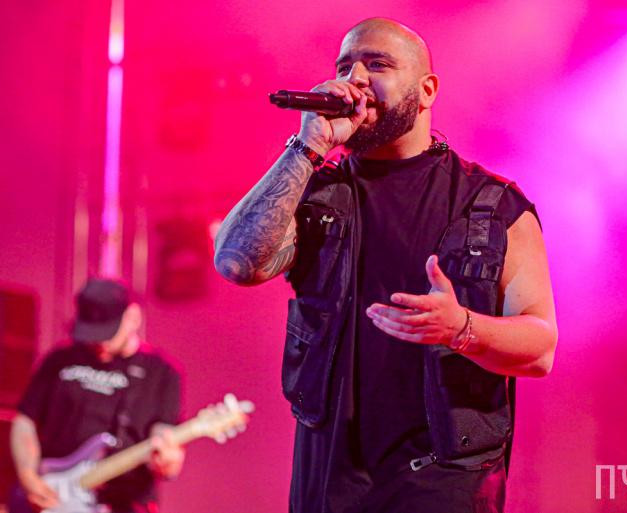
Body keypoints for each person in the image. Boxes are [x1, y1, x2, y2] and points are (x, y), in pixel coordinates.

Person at [214, 17, 558, 513]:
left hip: (444, 484)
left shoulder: (492, 205)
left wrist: (460, 327)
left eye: (377, 64)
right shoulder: (315, 192)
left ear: (427, 90)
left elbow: (540, 348)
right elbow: (237, 263)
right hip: (328, 482)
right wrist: (308, 146)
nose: (354, 78)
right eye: (344, 66)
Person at [9, 278, 185, 513]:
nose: (98, 341)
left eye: (106, 332)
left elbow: (163, 435)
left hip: (123, 504)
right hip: (52, 493)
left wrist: (167, 460)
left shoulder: (161, 373)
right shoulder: (60, 359)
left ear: (133, 318)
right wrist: (28, 475)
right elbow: (25, 421)